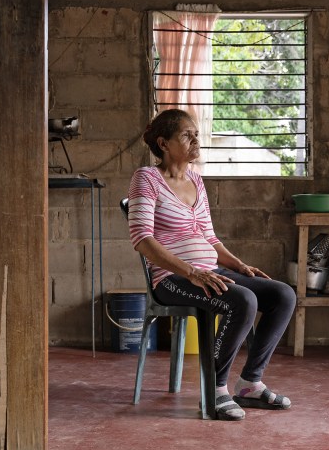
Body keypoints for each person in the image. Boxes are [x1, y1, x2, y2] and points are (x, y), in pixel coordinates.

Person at [127, 108, 297, 421]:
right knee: (243, 300)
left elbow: (209, 236)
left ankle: (249, 384)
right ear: (163, 144)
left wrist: (239, 265)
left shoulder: (195, 180)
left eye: (196, 134)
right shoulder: (146, 179)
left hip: (209, 273)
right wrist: (191, 272)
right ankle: (215, 390)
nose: (196, 140)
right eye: (186, 135)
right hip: (172, 280)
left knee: (282, 294)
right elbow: (142, 240)